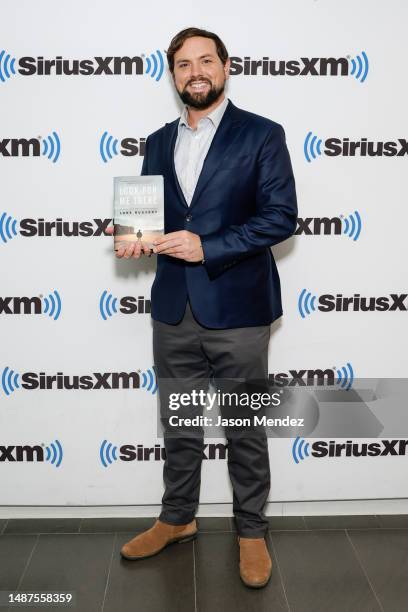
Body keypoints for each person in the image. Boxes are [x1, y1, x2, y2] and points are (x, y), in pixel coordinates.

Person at [108, 27, 297, 588]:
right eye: (184, 63)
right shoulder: (157, 141)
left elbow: (280, 217)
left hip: (238, 308)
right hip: (172, 307)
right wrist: (132, 237)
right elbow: (148, 218)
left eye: (205, 61)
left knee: (243, 426)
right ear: (173, 75)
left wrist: (207, 247)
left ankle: (251, 530)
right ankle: (178, 518)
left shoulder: (263, 134)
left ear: (225, 66)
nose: (196, 71)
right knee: (181, 424)